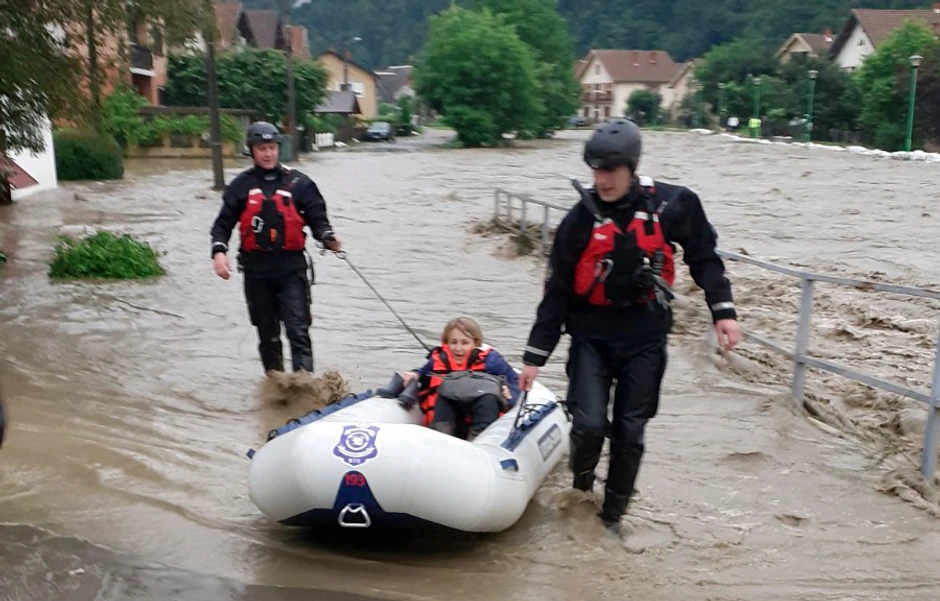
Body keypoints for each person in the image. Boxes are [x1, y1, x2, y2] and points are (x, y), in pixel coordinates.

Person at [518, 119, 741, 534]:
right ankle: (583, 484)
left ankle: (611, 519)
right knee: (587, 425)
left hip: (645, 337)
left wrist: (722, 310)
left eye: (611, 171)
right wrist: (534, 358)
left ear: (633, 166)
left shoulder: (674, 205)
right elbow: (557, 294)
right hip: (591, 337)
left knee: (630, 432)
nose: (602, 180)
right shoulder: (578, 222)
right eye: (596, 170)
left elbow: (704, 257)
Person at [210, 121, 341, 374]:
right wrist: (218, 252)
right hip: (256, 272)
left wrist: (327, 236)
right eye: (261, 148)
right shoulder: (240, 186)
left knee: (298, 331)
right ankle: (276, 388)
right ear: (252, 151)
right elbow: (222, 226)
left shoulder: (300, 183)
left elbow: (318, 218)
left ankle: (304, 389)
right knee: (268, 336)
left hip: (292, 269)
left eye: (271, 148)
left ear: (278, 149)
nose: (267, 153)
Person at [400, 317, 520, 441]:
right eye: (453, 342)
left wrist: (509, 394)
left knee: (488, 399)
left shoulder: (492, 361)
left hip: (480, 410)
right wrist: (415, 374)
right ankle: (440, 439)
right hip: (453, 414)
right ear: (446, 343)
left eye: (465, 343)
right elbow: (424, 372)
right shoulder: (439, 360)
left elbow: (515, 379)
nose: (458, 348)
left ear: (476, 343)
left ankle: (480, 442)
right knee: (444, 394)